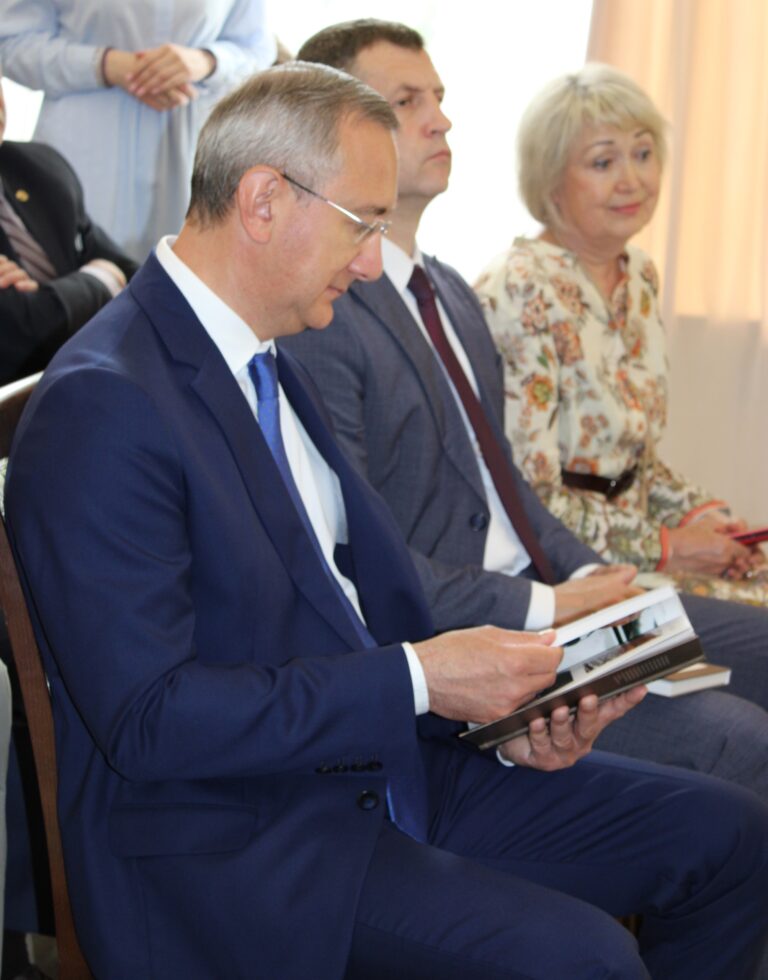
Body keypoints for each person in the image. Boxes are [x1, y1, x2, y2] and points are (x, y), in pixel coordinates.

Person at [5, 61, 768, 980]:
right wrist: (421, 679)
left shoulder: (266, 351)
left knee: (734, 838)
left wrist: (504, 718)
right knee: (588, 959)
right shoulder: (106, 402)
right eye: (362, 222)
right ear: (263, 201)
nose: (373, 261)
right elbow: (150, 721)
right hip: (242, 843)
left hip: (380, 769)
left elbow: (348, 609)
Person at [282, 19, 768, 798]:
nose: (442, 120)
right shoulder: (324, 315)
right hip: (476, 636)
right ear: (334, 134)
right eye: (407, 102)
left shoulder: (445, 291)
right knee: (744, 742)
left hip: (552, 598)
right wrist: (552, 603)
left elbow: (508, 486)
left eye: (439, 97)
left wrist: (596, 580)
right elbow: (362, 557)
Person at [474, 63, 768, 606]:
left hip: (641, 553)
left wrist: (708, 522)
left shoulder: (640, 275)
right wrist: (669, 547)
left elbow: (634, 467)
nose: (632, 180)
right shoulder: (521, 285)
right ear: (550, 179)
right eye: (603, 162)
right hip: (566, 570)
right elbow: (528, 494)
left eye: (643, 153)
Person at [0, 1, 276, 262]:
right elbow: (11, 42)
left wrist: (206, 62)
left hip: (190, 142)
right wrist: (103, 64)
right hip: (86, 142)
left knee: (183, 274)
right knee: (83, 270)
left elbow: (257, 47)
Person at [0, 65, 136, 384]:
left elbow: (134, 275)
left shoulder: (37, 165)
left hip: (93, 376)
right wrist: (101, 279)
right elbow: (21, 334)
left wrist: (55, 301)